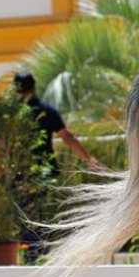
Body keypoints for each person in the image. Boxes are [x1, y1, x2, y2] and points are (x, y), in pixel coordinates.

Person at [12, 71, 102, 261]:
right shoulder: (47, 111)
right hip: (44, 170)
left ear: (16, 90)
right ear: (34, 87)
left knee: (22, 212)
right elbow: (67, 137)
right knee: (39, 212)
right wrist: (88, 158)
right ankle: (35, 253)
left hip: (19, 171)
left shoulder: (13, 115)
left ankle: (29, 253)